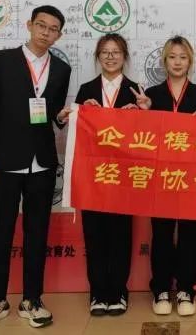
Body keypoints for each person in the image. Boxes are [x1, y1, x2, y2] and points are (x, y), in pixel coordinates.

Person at [0, 5, 71, 333]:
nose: (46, 32)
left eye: (53, 29)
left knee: (37, 234)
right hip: (4, 162)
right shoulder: (1, 61)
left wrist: (60, 117)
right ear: (29, 25)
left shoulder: (61, 69)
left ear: (59, 35)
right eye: (41, 25)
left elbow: (52, 112)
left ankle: (32, 299)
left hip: (42, 163)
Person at [65, 33, 151, 317]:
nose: (110, 57)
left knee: (121, 234)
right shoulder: (86, 89)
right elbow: (76, 134)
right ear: (98, 57)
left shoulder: (136, 90)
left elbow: (148, 137)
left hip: (125, 177)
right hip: (93, 177)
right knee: (94, 234)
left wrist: (143, 113)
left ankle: (118, 292)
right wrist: (80, 114)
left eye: (116, 52)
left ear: (124, 56)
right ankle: (97, 293)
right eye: (105, 52)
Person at [145, 36, 196, 316]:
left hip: (191, 176)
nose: (177, 62)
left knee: (189, 232)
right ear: (164, 61)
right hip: (159, 176)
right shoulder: (151, 94)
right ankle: (161, 288)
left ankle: (185, 289)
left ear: (190, 61)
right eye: (172, 57)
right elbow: (141, 135)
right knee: (161, 232)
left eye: (183, 57)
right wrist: (144, 112)